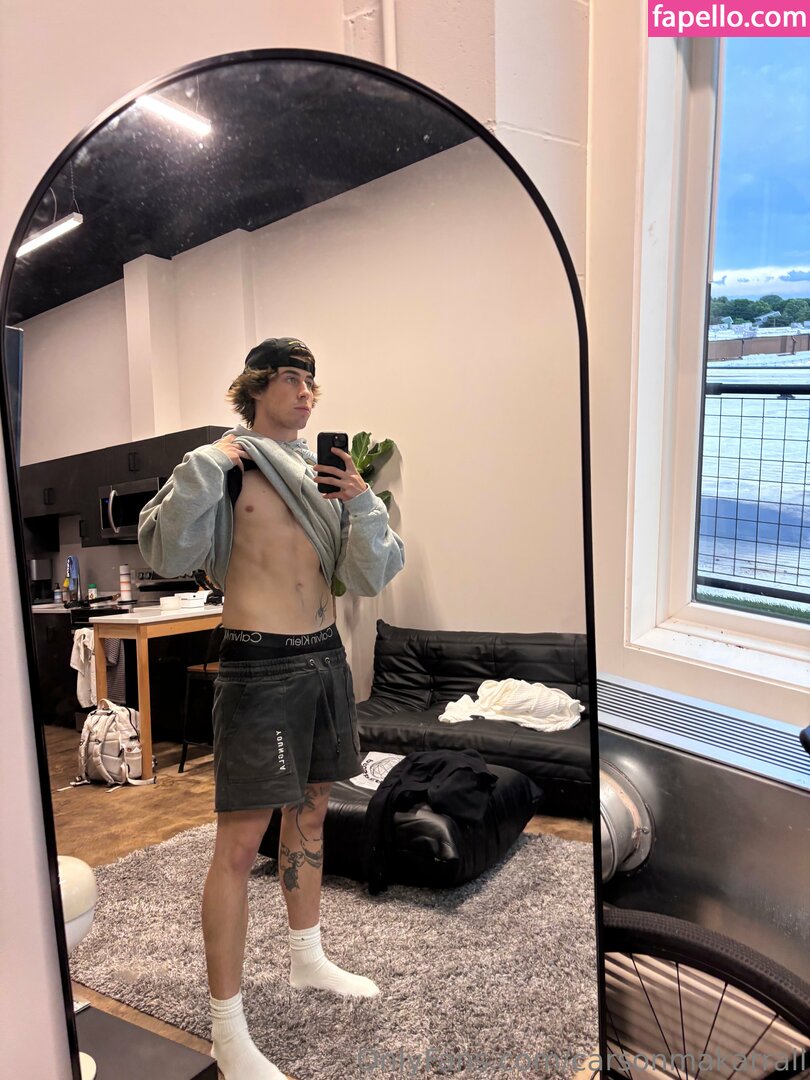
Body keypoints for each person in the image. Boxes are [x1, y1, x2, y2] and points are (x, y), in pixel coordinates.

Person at [138, 337, 405, 1080]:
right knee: (237, 845)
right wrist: (208, 463)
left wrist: (362, 504)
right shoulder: (225, 466)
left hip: (323, 658)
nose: (306, 392)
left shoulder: (324, 477)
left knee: (313, 814)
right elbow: (165, 552)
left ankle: (306, 957)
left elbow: (367, 576)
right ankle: (227, 1032)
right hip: (259, 667)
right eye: (291, 378)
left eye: (312, 381)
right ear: (256, 387)